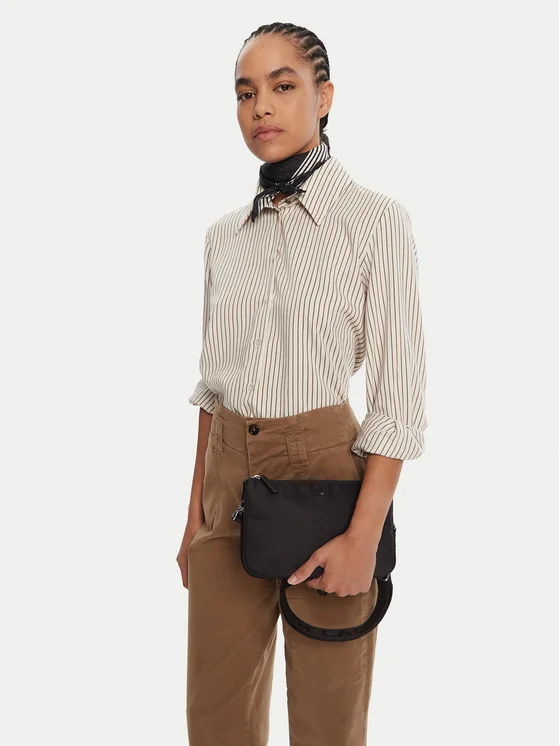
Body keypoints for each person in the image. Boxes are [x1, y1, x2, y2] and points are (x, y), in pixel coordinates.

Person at [176, 21, 427, 746]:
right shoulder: (224, 238)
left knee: (327, 722)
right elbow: (213, 388)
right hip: (226, 481)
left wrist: (363, 536)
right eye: (245, 92)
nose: (261, 106)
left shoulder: (375, 220)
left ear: (325, 97)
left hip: (327, 480)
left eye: (283, 86)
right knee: (214, 720)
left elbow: (399, 397)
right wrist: (194, 519)